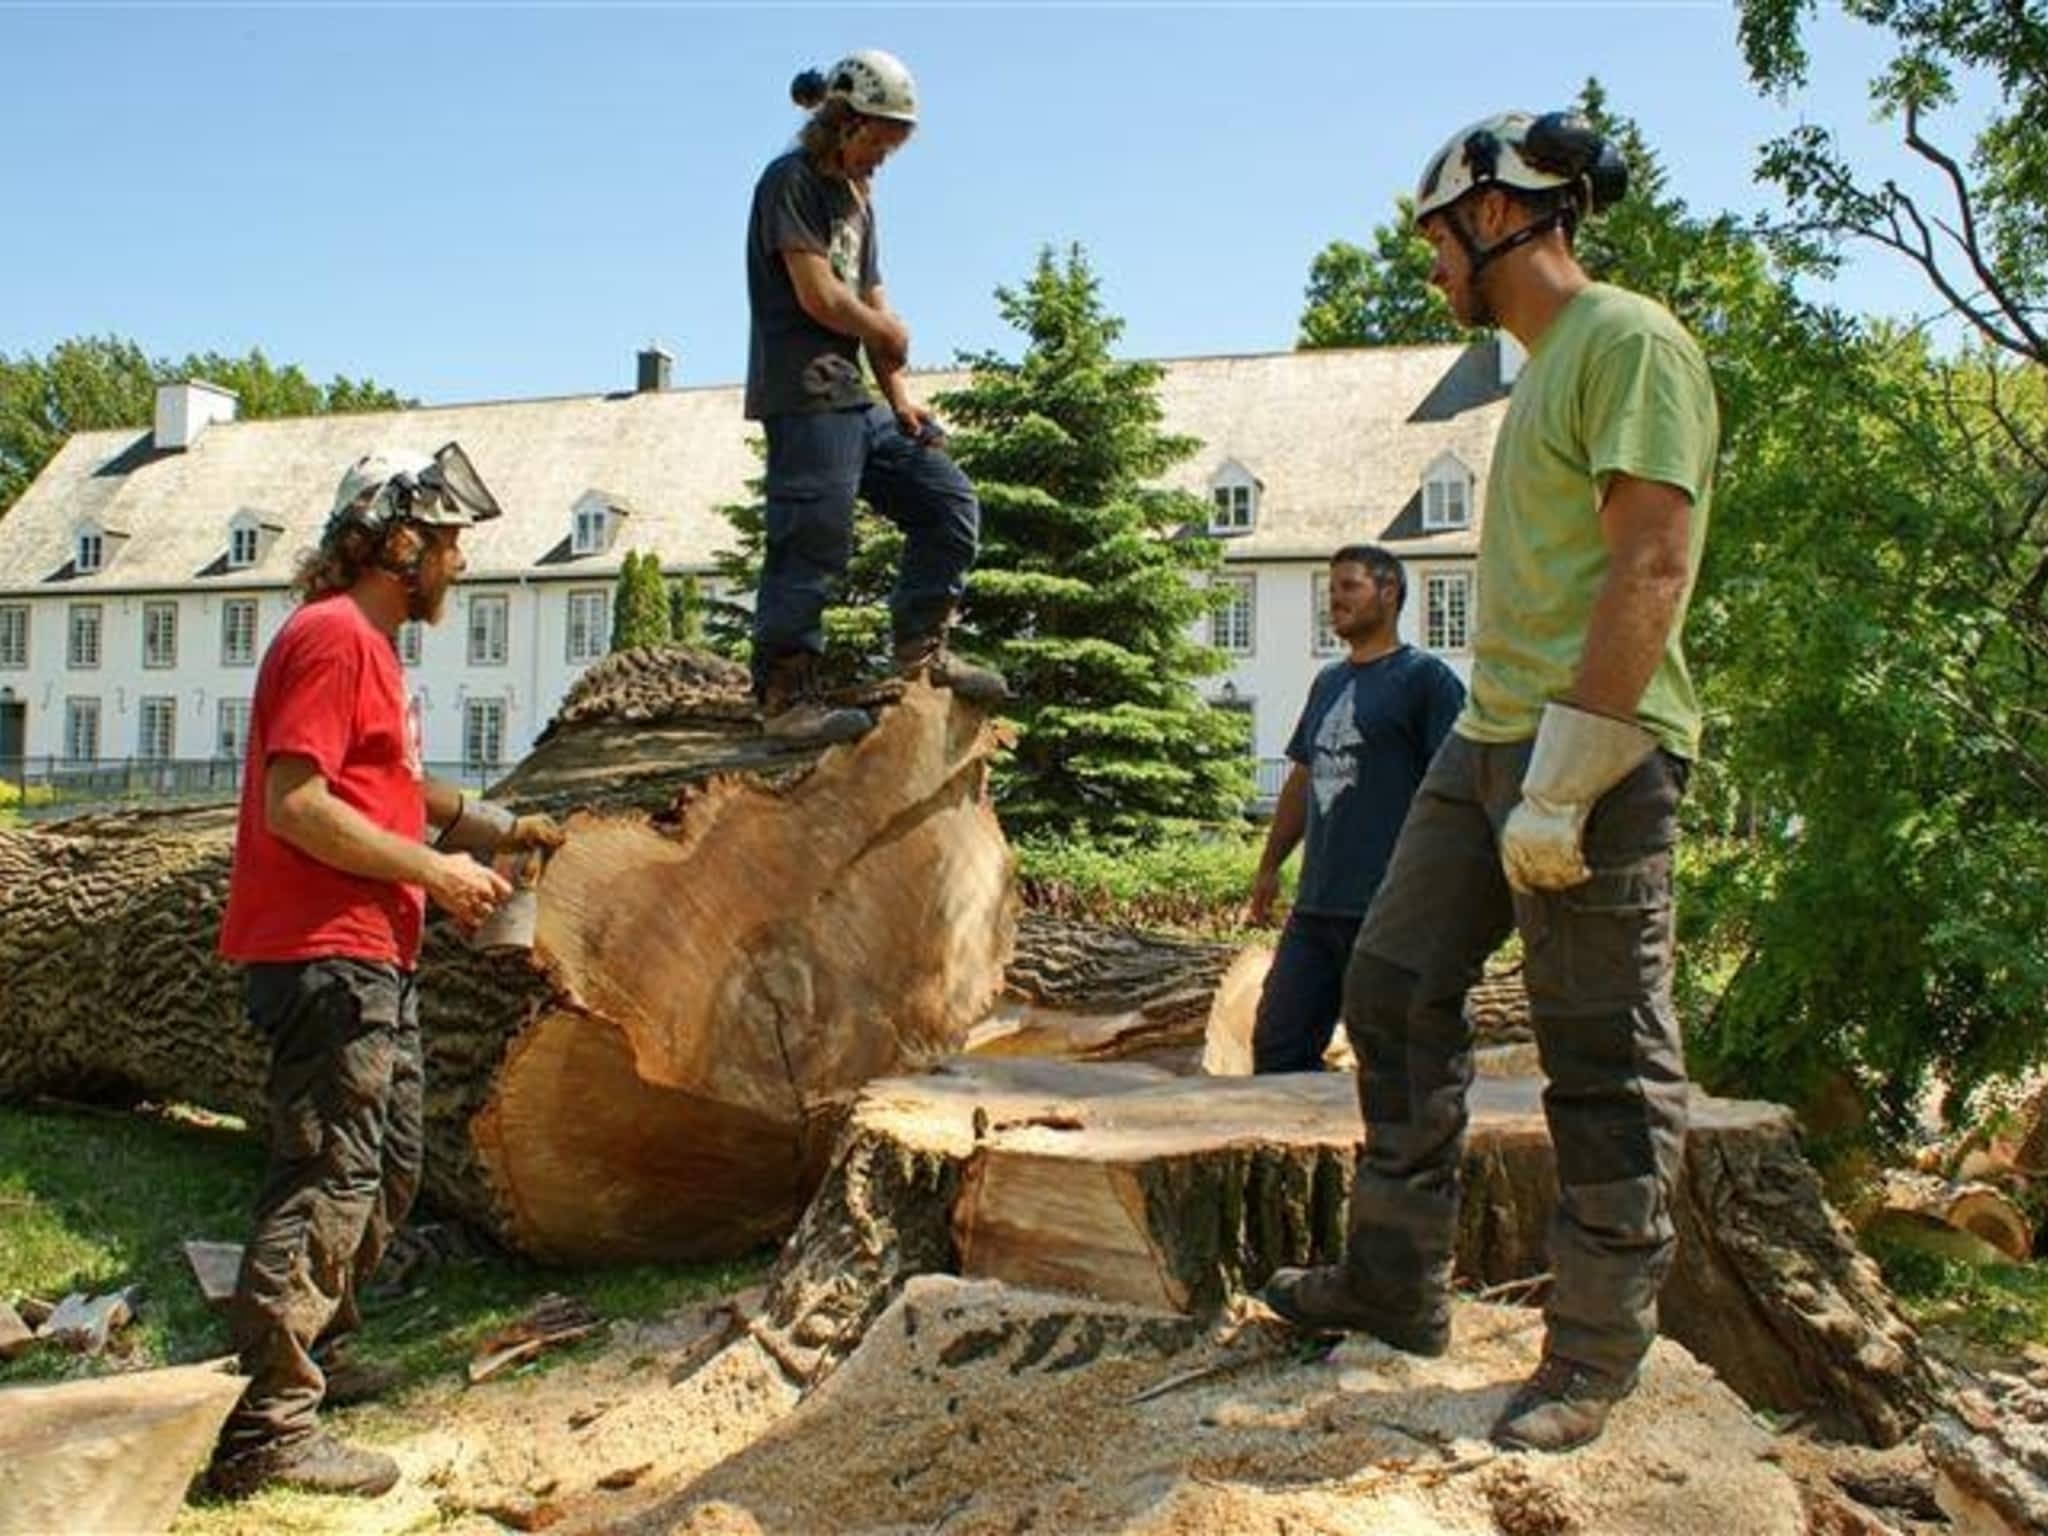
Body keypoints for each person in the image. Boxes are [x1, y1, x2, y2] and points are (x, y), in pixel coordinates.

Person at [1262, 110, 1720, 1455]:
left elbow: (1650, 563)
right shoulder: (1538, 373)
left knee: (1601, 1054)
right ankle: (1398, 1283)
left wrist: (1571, 778)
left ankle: (1590, 1355)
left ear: (1498, 215)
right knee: (1392, 983)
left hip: (1604, 748)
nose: (1431, 268)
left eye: (1436, 241)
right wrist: (1513, 761)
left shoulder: (1629, 343)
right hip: (1490, 744)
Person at [210, 444, 563, 1497]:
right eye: (450, 546)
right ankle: (268, 1425)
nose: (460, 567)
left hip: (370, 954)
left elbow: (380, 788)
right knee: (328, 1170)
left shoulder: (367, 648)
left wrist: (493, 821)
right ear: (401, 546)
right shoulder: (334, 641)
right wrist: (438, 875)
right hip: (325, 953)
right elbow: (298, 805)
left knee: (387, 1163)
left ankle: (316, 1352)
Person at [743, 48, 1005, 745]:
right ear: (842, 121)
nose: (881, 159)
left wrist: (902, 398)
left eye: (892, 149)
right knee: (814, 540)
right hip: (803, 396)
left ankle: (921, 654)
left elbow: (871, 295)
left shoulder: (859, 198)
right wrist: (881, 325)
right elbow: (820, 295)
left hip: (856, 400)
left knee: (947, 501)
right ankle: (785, 694)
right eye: (876, 143)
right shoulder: (790, 182)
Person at [1246, 546, 1463, 1073]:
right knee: (1278, 1045)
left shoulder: (1426, 681)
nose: (1333, 601)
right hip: (1316, 907)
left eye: (1348, 587)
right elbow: (1302, 777)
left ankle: (1397, 1154)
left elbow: (1456, 791)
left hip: (1390, 909)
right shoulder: (1329, 682)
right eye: (1331, 589)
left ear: (1388, 593)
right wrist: (1270, 866)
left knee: (1394, 1056)